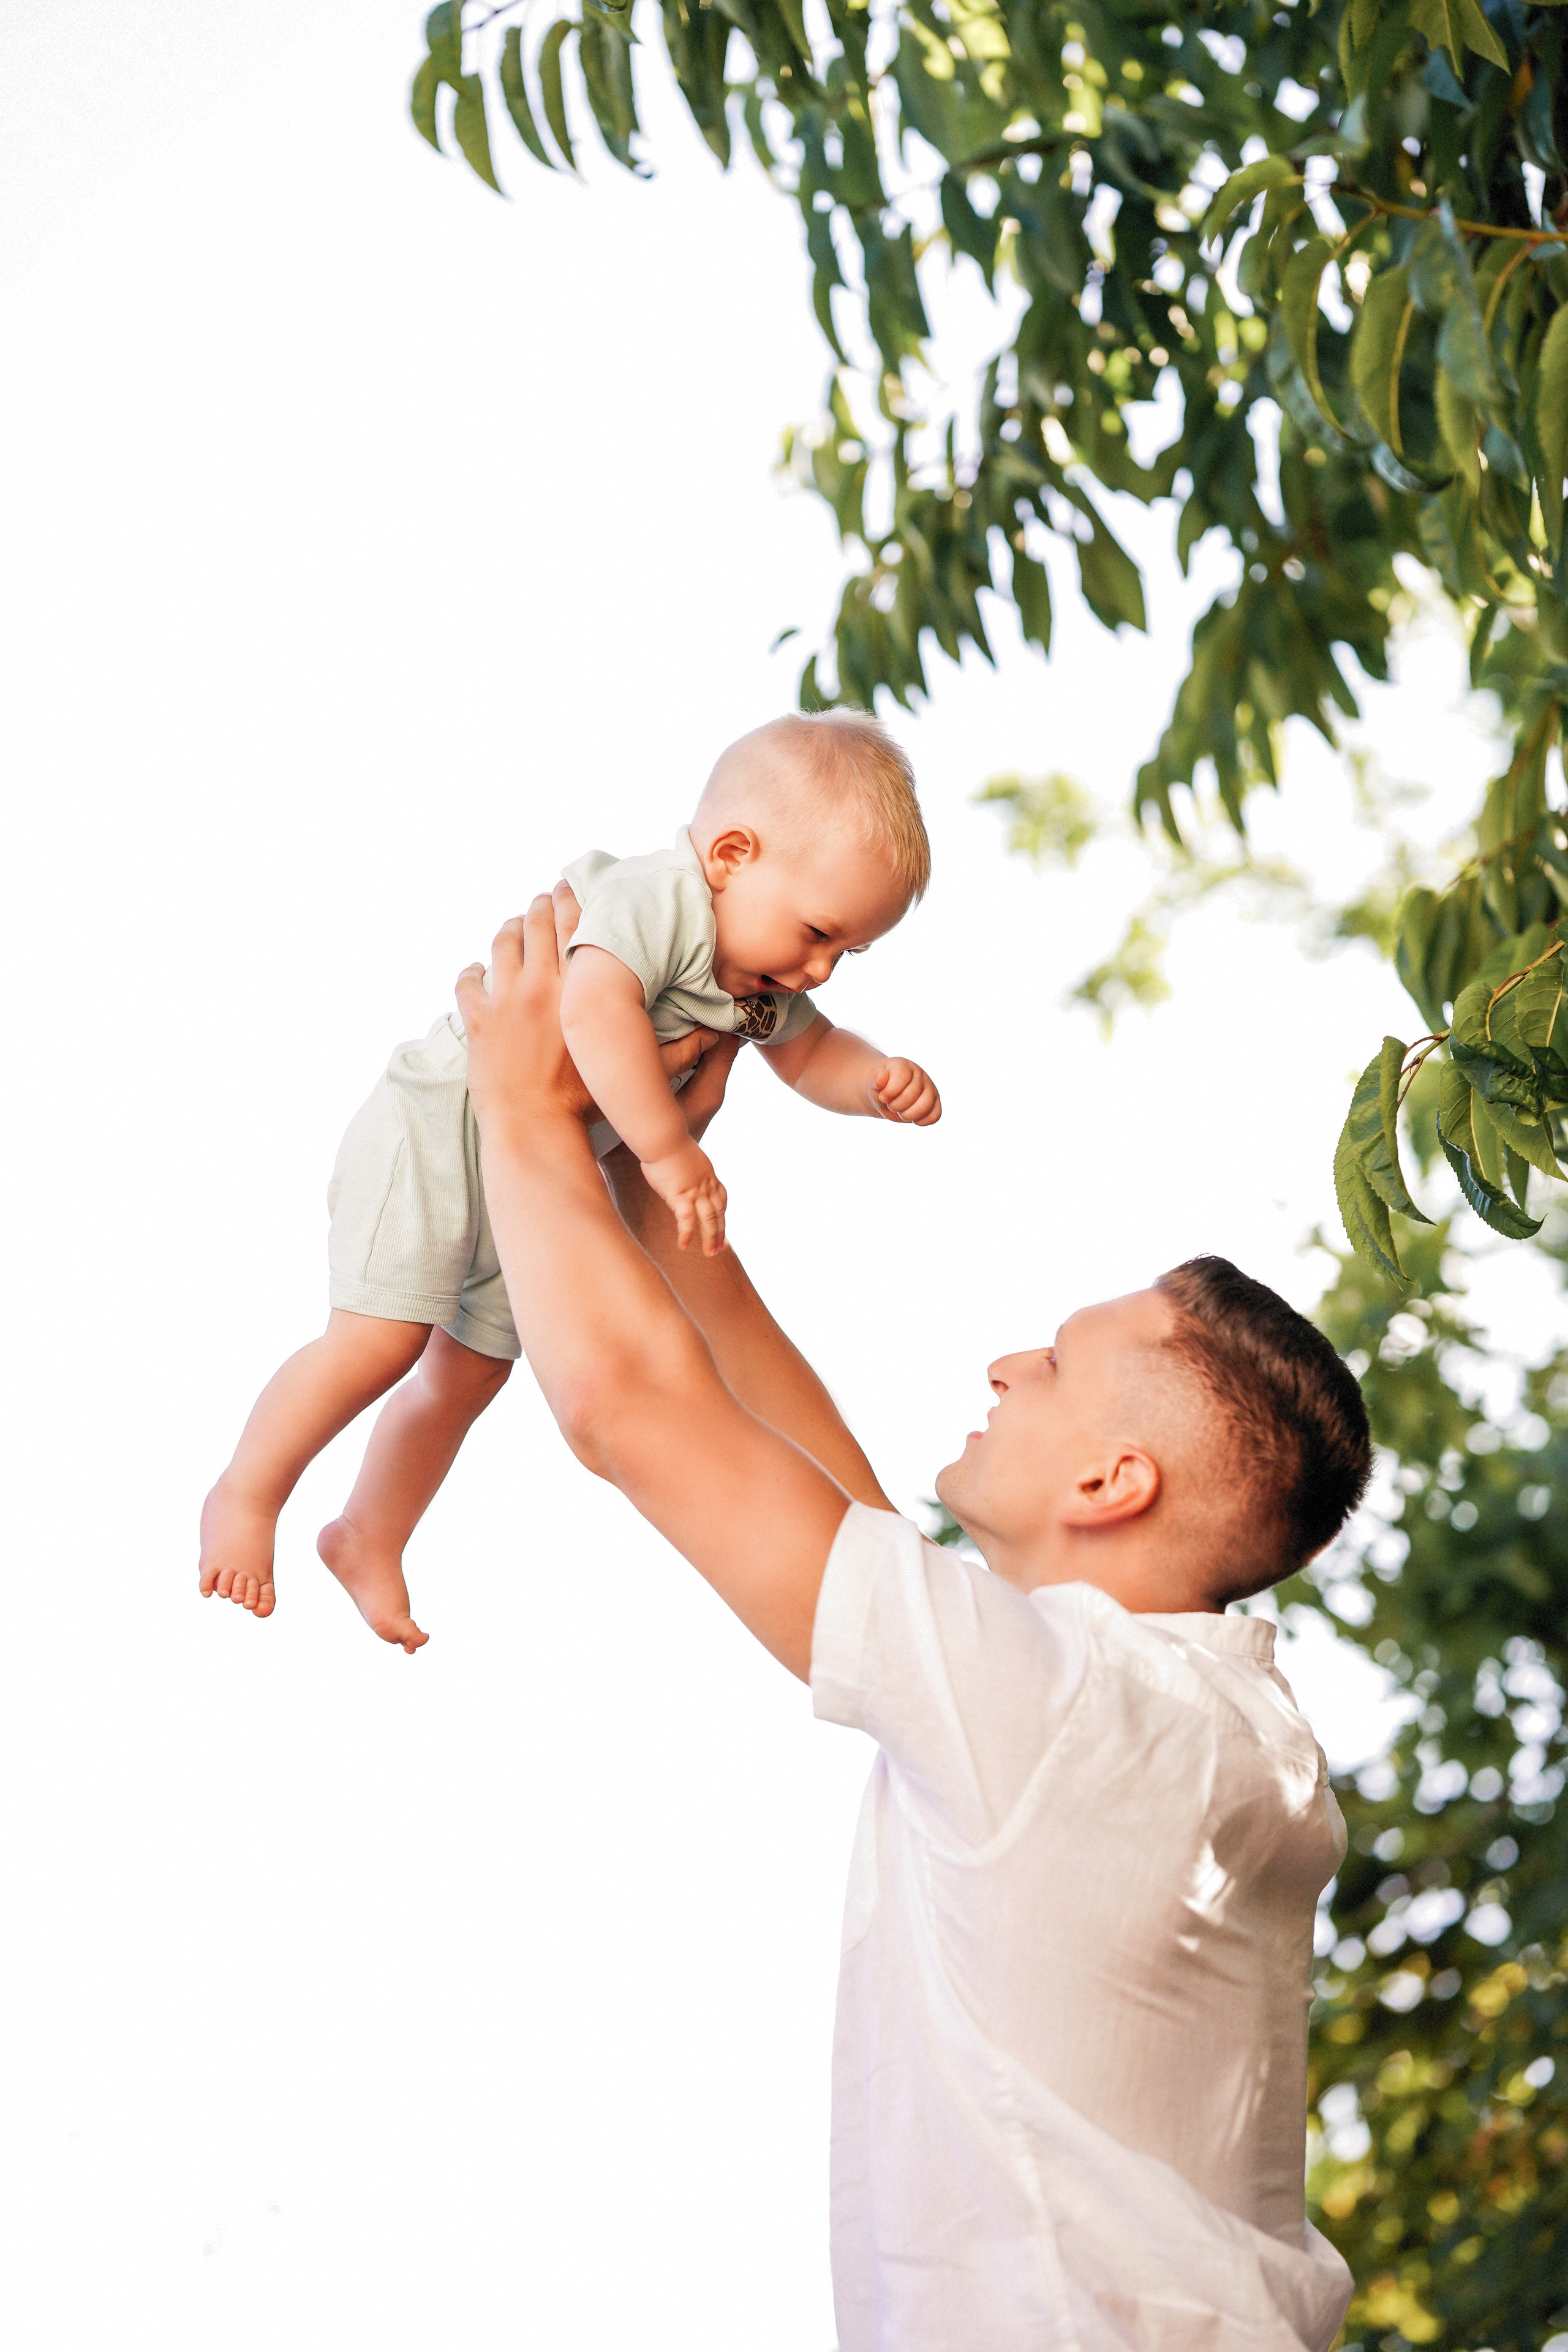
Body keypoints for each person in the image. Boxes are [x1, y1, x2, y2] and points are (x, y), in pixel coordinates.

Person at [453, 892, 1370, 2352]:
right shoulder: (1175, 1722)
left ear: (1112, 1479)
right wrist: (636, 1159)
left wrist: (512, 1107)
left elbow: (631, 1411)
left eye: (1056, 1364)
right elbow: (801, 1474)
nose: (1008, 1361)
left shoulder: (1072, 1710)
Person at [197, 711, 941, 1652]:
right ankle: (246, 1492)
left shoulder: (766, 979)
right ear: (731, 854)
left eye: (848, 955)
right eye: (819, 934)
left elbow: (812, 1055)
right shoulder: (658, 900)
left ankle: (369, 1532)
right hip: (443, 1125)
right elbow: (592, 1013)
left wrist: (872, 1081)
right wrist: (671, 1155)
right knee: (380, 1340)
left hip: (538, 1180)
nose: (820, 968)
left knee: (470, 1374)